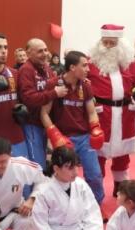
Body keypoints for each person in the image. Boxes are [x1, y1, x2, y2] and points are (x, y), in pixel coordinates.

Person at [40, 51, 105, 204]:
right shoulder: (54, 84)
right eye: (84, 65)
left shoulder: (86, 86)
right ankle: (63, 206)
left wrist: (95, 127)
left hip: (83, 137)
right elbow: (43, 113)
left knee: (95, 175)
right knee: (64, 177)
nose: (88, 69)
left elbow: (91, 112)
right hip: (63, 138)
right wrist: (54, 135)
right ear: (72, 67)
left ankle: (96, 205)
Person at [88, 25, 135, 196]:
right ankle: (97, 188)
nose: (109, 46)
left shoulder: (131, 64)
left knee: (123, 154)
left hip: (125, 113)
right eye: (105, 42)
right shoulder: (91, 63)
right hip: (102, 114)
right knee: (99, 152)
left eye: (113, 42)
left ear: (121, 44)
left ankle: (121, 186)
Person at [15, 38, 61, 168]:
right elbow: (28, 98)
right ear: (29, 54)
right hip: (31, 123)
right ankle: (33, 188)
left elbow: (53, 84)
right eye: (40, 51)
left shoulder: (47, 68)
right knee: (36, 164)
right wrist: (54, 93)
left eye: (46, 50)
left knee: (42, 160)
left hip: (44, 123)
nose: (45, 53)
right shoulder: (26, 70)